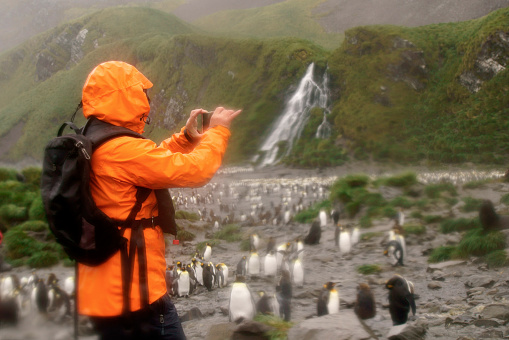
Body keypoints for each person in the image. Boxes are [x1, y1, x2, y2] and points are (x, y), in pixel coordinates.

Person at [77, 60, 241, 339]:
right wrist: (219, 132)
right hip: (135, 293)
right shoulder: (122, 149)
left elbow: (147, 166)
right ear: (127, 96)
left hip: (102, 291)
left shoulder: (95, 139)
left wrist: (186, 138)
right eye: (140, 92)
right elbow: (195, 171)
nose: (145, 98)